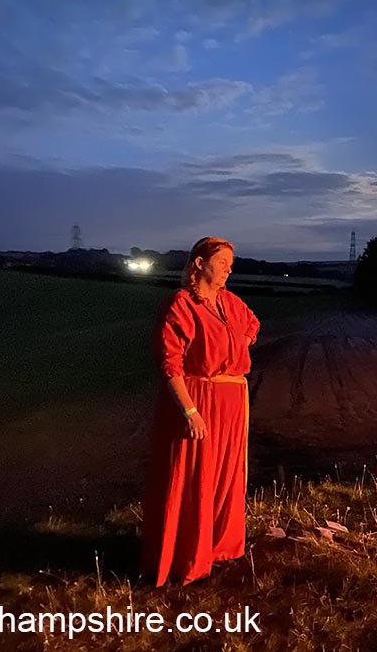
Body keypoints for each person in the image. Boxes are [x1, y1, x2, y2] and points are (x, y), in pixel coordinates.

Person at [141, 236, 260, 586]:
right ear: (199, 264)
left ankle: (218, 547)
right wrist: (189, 411)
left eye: (230, 265)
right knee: (195, 477)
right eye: (222, 263)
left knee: (225, 475)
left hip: (232, 401)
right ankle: (186, 557)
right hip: (200, 399)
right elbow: (170, 363)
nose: (228, 270)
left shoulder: (230, 302)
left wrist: (239, 346)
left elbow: (252, 324)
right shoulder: (181, 304)